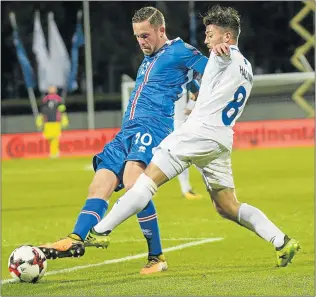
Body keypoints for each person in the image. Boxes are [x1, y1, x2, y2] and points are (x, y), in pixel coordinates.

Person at [84, 5, 300, 269]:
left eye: (210, 35)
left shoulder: (223, 55)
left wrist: (220, 53)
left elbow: (218, 58)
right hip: (221, 140)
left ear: (227, 38)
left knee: (145, 181)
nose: (207, 40)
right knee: (227, 206)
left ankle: (100, 230)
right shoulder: (246, 66)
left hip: (197, 133)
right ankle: (281, 240)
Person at [39, 6, 208, 275]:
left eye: (145, 35)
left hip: (153, 128)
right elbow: (191, 82)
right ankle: (75, 239)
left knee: (133, 182)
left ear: (161, 30)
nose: (141, 42)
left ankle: (157, 257)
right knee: (99, 183)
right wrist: (194, 90)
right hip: (126, 131)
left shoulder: (181, 50)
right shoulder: (149, 58)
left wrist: (221, 62)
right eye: (137, 37)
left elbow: (211, 72)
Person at [174, 91, 202, 200]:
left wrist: (189, 107)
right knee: (191, 155)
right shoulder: (181, 80)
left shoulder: (182, 79)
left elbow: (196, 92)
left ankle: (186, 189)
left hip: (179, 123)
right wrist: (189, 107)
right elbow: (196, 93)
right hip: (177, 124)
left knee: (184, 155)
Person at [36, 85, 69, 158]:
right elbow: (41, 111)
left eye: (53, 88)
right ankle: (52, 152)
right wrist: (40, 121)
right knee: (49, 137)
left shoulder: (59, 99)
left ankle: (55, 152)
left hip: (56, 121)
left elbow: (62, 110)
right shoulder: (45, 99)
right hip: (47, 121)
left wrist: (64, 119)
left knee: (56, 137)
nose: (52, 90)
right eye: (50, 88)